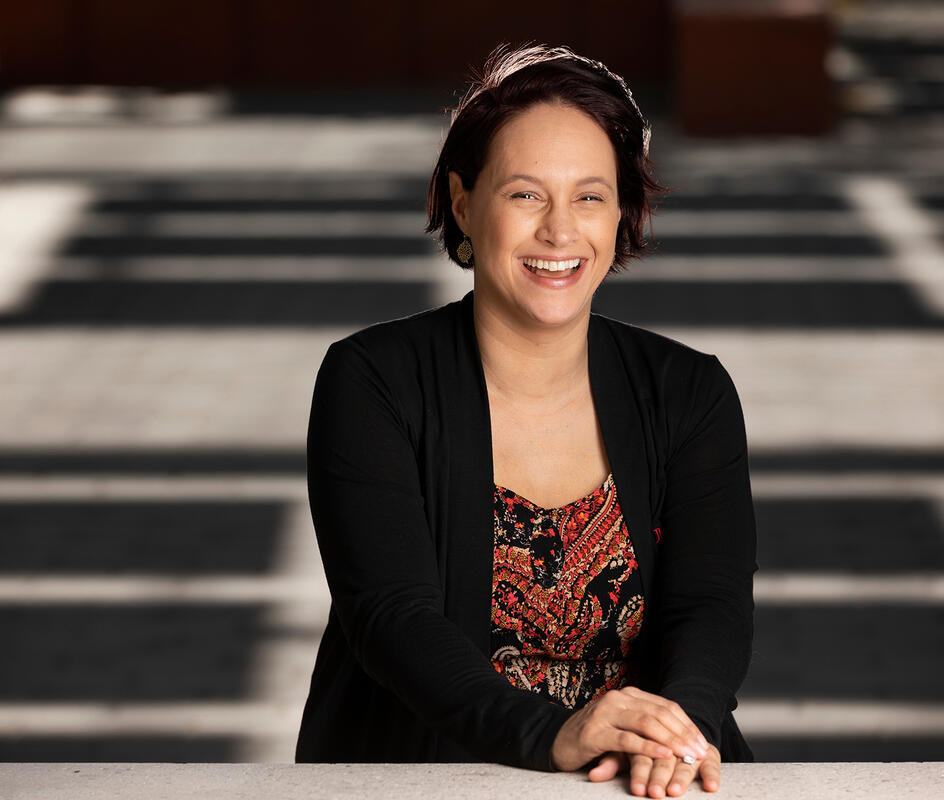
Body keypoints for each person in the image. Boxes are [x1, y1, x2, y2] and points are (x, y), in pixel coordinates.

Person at [295, 44, 758, 798]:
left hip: (645, 780)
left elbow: (712, 605)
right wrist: (552, 733)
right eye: (524, 195)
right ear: (461, 201)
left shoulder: (689, 389)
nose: (560, 232)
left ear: (621, 213)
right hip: (428, 773)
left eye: (589, 196)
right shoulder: (372, 379)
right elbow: (390, 616)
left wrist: (677, 728)